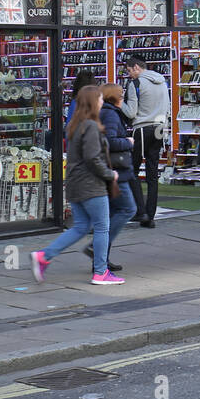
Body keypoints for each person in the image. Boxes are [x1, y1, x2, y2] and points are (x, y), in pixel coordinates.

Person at [32, 85, 123, 284]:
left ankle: (44, 256)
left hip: (75, 183)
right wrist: (110, 174)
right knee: (102, 227)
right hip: (91, 184)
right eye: (99, 99)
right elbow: (92, 158)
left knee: (80, 227)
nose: (102, 103)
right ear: (92, 102)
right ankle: (101, 272)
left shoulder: (75, 124)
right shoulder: (90, 126)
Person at [84, 83, 136, 273]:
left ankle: (101, 259)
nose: (123, 99)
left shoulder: (104, 113)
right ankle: (96, 249)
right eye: (121, 96)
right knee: (128, 209)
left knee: (112, 213)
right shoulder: (112, 114)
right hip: (116, 170)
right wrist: (128, 142)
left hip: (110, 169)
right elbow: (110, 141)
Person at [120, 53, 169, 228]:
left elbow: (131, 112)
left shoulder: (136, 83)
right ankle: (151, 214)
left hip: (142, 128)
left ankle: (141, 212)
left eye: (129, 70)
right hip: (159, 127)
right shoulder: (162, 82)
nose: (129, 74)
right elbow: (167, 108)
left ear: (136, 68)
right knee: (152, 173)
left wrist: (119, 103)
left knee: (132, 170)